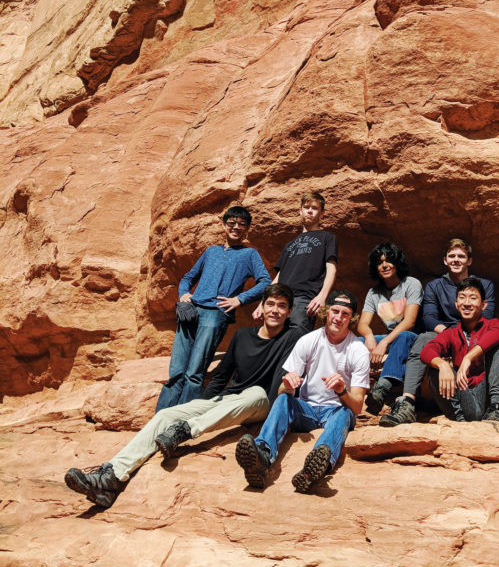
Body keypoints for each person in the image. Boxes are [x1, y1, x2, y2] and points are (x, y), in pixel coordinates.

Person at [64, 285, 302, 509]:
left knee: (255, 393)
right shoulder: (242, 336)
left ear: (289, 311)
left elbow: (277, 384)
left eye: (282, 306)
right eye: (271, 304)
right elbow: (221, 376)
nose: (275, 310)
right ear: (261, 306)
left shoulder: (292, 338)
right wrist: (201, 403)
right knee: (167, 414)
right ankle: (111, 477)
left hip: (259, 403)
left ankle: (184, 431)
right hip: (227, 400)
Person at [235, 289, 370, 493]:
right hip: (305, 409)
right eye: (335, 311)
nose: (339, 318)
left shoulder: (358, 350)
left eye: (345, 314)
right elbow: (283, 390)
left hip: (335, 410)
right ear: (326, 311)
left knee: (345, 413)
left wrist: (342, 391)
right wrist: (288, 385)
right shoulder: (309, 340)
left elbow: (357, 406)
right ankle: (261, 456)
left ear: (352, 318)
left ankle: (314, 468)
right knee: (282, 400)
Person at [155, 205, 271, 412]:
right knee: (176, 371)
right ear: (224, 225)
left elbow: (265, 282)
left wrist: (240, 299)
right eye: (232, 223)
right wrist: (184, 293)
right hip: (190, 310)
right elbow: (188, 277)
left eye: (241, 224)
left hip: (215, 313)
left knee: (194, 372)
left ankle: (179, 421)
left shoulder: (249, 254)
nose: (236, 227)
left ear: (247, 229)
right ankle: (159, 419)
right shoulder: (211, 251)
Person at [379, 237, 495, 426]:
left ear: (469, 260)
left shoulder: (485, 285)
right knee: (424, 338)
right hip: (444, 334)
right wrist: (451, 334)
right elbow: (429, 318)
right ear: (445, 260)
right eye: (451, 256)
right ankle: (408, 402)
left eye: (461, 256)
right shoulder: (435, 286)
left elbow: (487, 316)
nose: (456, 260)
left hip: (475, 334)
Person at [420, 277, 499, 421]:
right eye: (462, 298)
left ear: (483, 305)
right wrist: (442, 365)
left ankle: (497, 410)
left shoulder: (493, 325)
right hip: (465, 398)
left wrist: (468, 357)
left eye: (473, 298)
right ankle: (459, 421)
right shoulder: (450, 333)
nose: (467, 303)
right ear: (456, 304)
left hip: (488, 395)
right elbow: (427, 351)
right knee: (434, 368)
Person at [358, 242, 423, 414]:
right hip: (390, 337)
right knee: (357, 342)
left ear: (397, 263)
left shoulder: (411, 284)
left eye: (389, 261)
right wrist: (370, 337)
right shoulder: (374, 293)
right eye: (379, 262)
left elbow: (409, 322)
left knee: (404, 337)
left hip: (411, 336)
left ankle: (381, 389)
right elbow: (362, 324)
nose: (384, 265)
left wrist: (384, 343)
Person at [271, 190, 337, 333]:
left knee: (296, 341)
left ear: (322, 213)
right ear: (300, 211)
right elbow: (279, 275)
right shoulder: (289, 244)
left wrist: (322, 297)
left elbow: (331, 268)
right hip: (279, 299)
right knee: (274, 342)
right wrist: (264, 301)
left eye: (315, 208)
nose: (310, 211)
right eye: (307, 207)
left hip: (304, 299)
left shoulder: (327, 238)